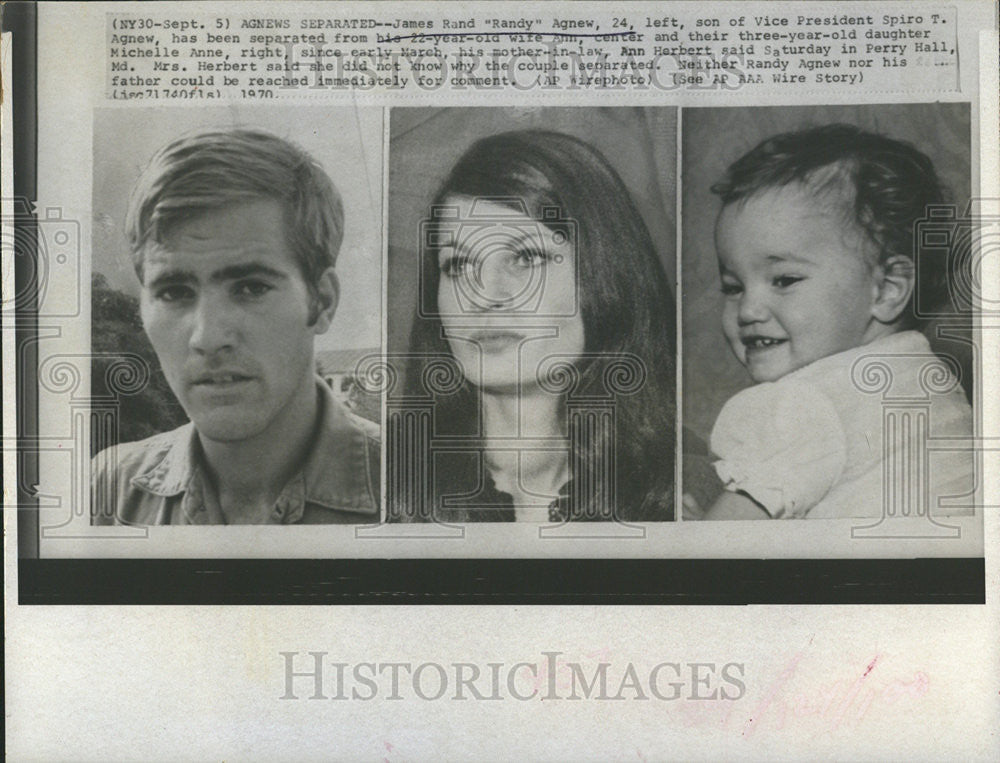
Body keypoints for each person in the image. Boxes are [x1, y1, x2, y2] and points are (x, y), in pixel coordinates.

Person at [389, 129, 712, 523]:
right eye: (458, 265)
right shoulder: (383, 478)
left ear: (604, 275)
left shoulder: (694, 491)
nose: (484, 294)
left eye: (525, 258)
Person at [91, 128, 379, 525]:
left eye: (251, 288)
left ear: (322, 301)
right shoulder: (104, 492)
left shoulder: (420, 496)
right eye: (174, 292)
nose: (207, 338)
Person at [704, 124, 973, 520]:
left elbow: (719, 546)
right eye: (733, 287)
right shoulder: (933, 380)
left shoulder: (803, 403)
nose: (748, 310)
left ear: (886, 290)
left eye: (785, 280)